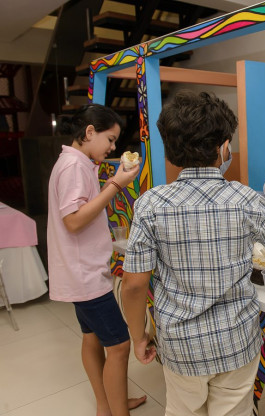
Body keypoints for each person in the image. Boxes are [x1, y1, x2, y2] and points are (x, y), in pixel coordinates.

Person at [121, 91, 265, 416]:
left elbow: (133, 284)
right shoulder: (246, 198)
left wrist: (138, 335)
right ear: (224, 147)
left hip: (180, 345)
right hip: (235, 340)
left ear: (169, 151)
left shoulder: (149, 205)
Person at [47, 104, 145, 416]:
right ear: (90, 132)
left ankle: (107, 405)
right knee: (119, 345)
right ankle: (117, 411)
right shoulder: (74, 167)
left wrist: (112, 181)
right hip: (85, 276)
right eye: (110, 139)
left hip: (80, 273)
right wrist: (116, 185)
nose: (113, 147)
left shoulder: (76, 162)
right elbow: (74, 220)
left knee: (92, 338)